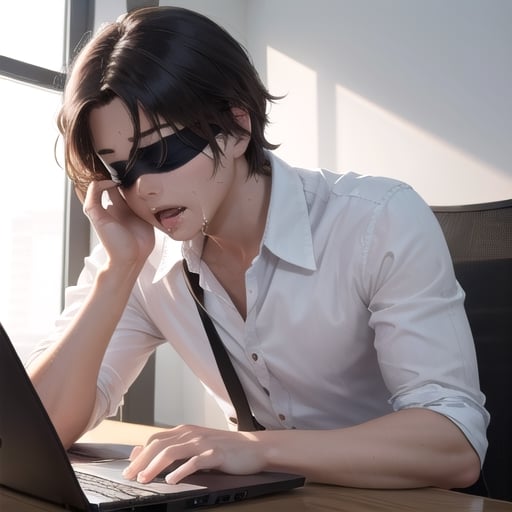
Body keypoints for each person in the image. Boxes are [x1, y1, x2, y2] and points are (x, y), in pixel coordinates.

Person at [27, 6, 488, 490]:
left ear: (236, 126)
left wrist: (255, 449)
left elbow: (454, 445)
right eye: (118, 168)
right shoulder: (140, 254)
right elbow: (42, 430)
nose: (142, 188)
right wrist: (117, 272)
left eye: (159, 152)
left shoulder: (377, 219)